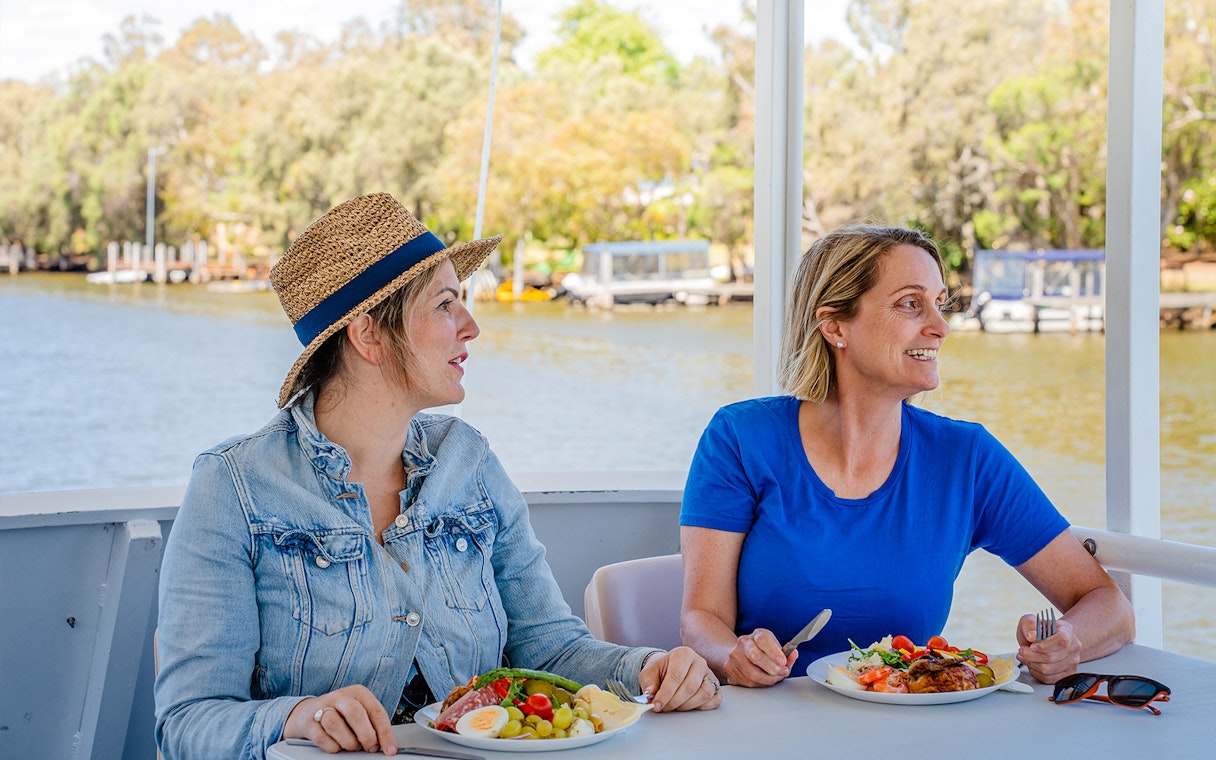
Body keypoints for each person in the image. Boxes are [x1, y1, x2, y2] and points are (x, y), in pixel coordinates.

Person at [154, 193, 721, 760]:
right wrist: (299, 717)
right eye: (445, 305)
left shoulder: (470, 461)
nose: (471, 327)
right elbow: (187, 724)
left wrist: (647, 667)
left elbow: (547, 651)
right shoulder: (233, 488)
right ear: (369, 335)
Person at [678, 224, 1134, 689]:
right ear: (835, 325)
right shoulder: (739, 438)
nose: (940, 326)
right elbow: (702, 618)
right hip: (767, 726)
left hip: (914, 728)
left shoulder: (967, 459)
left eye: (940, 303)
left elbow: (1109, 605)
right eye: (910, 304)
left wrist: (1067, 639)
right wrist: (732, 654)